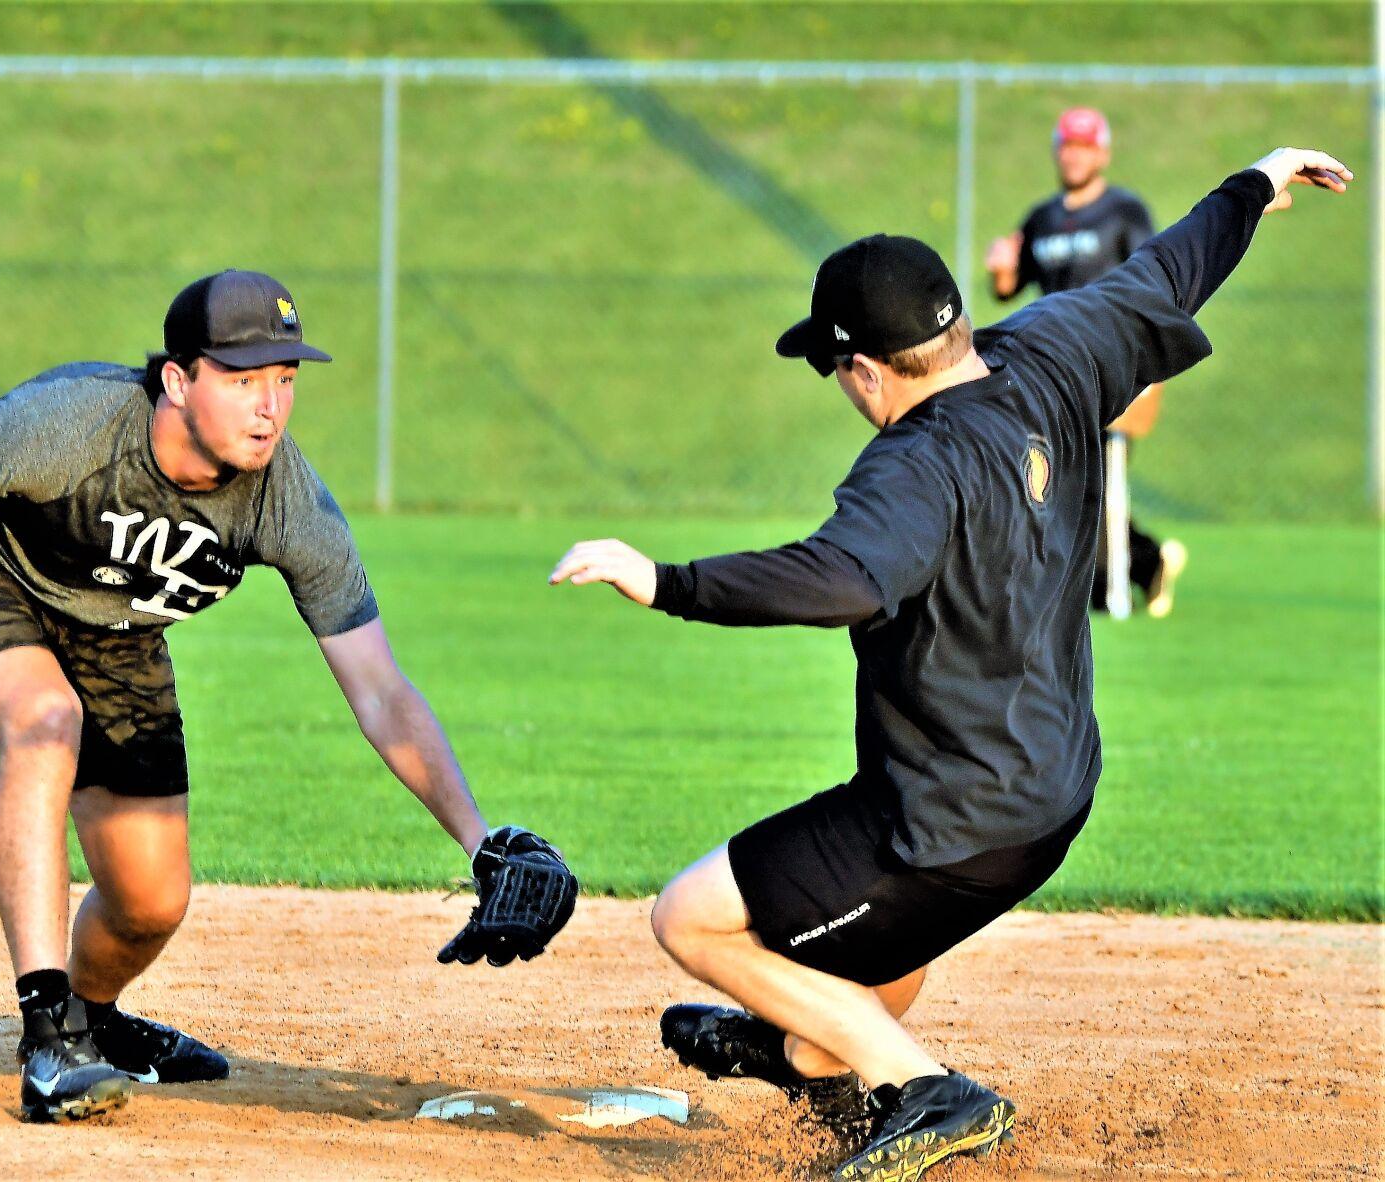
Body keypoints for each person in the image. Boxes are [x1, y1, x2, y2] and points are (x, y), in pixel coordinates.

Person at [550, 148, 1348, 1180]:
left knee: (691, 917)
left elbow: (842, 578)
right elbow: (1163, 273)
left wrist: (666, 580)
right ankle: (802, 1051)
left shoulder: (913, 463)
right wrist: (1251, 186)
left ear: (867, 369)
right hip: (1052, 796)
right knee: (884, 922)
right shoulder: (1054, 353)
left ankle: (928, 1092)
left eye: (834, 367)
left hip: (951, 819)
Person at [0, 269, 576, 1123]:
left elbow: (381, 690)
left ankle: (93, 1018)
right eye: (241, 379)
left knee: (150, 900)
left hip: (113, 625)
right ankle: (48, 1040)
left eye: (284, 379)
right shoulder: (70, 425)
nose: (269, 405)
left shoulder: (287, 503)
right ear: (176, 380)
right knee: (45, 722)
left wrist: (482, 841)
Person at [985, 107, 1188, 617]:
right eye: (1067, 145)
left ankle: (1133, 567)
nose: (1074, 154)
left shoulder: (1124, 213)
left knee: (1089, 485)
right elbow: (1010, 287)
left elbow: (1154, 285)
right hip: (1053, 369)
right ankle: (1149, 560)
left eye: (1084, 146)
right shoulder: (1042, 218)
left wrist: (1150, 366)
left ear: (1103, 152)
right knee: (1063, 484)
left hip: (1111, 366)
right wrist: (1002, 272)